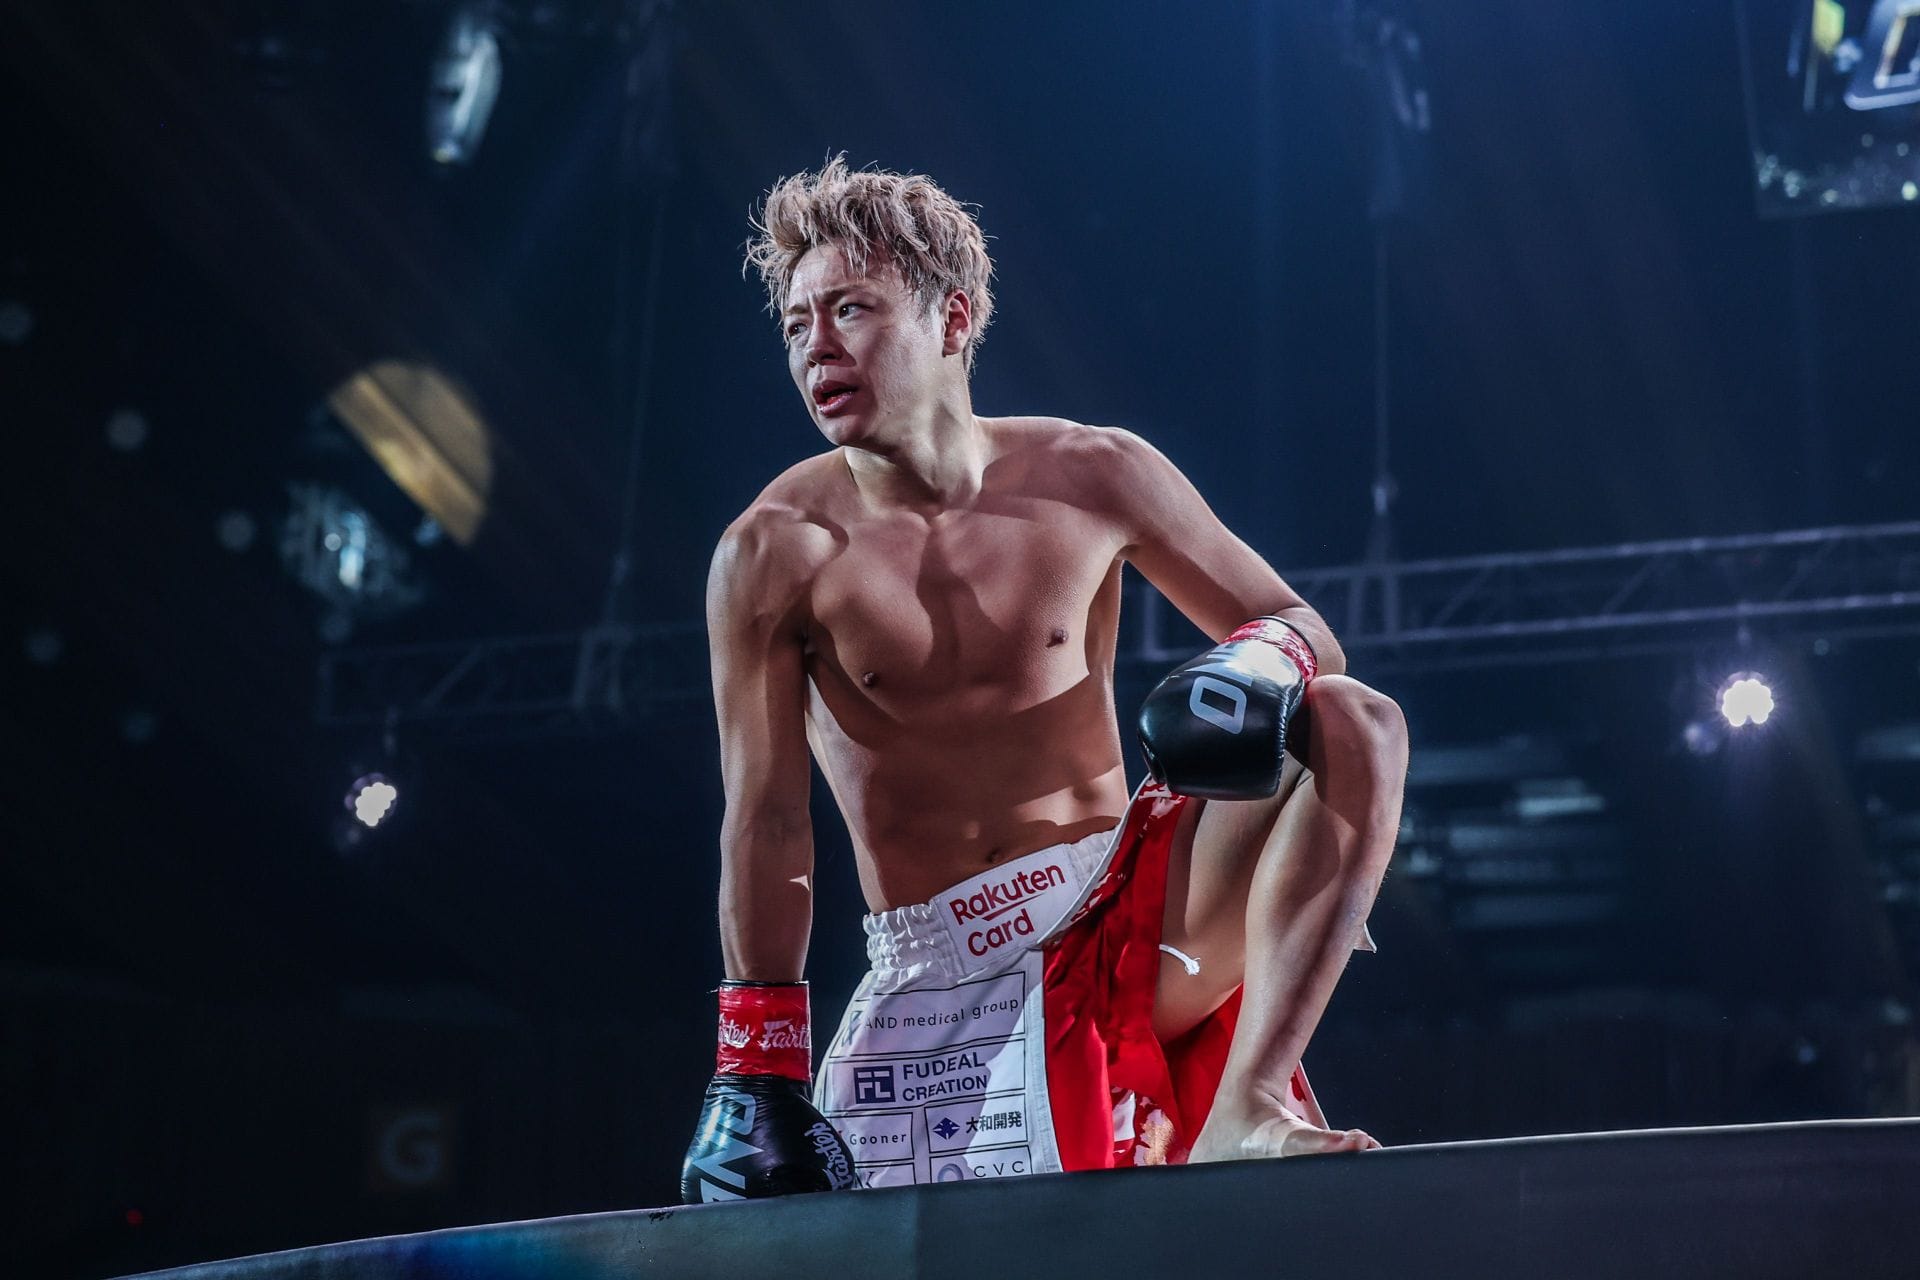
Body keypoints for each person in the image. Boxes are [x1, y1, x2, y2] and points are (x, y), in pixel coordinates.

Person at [681, 158, 1408, 1201]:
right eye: (796, 324)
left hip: (1120, 925)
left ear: (954, 317)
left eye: (851, 307)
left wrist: (1256, 664)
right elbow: (767, 824)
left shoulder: (1094, 471)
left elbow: (1301, 627)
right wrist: (755, 1063)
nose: (817, 347)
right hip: (936, 969)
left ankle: (1250, 1105)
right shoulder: (773, 549)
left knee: (1356, 720)